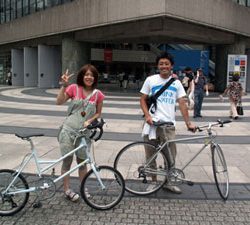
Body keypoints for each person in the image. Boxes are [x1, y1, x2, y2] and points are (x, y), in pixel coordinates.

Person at [140, 52, 196, 194]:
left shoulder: (176, 83)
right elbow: (142, 99)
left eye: (166, 63)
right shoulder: (150, 80)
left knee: (170, 157)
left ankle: (168, 183)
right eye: (161, 64)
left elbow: (182, 103)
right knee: (150, 155)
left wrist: (188, 123)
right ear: (157, 66)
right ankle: (153, 182)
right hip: (152, 125)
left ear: (171, 66)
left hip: (168, 126)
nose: (164, 66)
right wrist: (147, 116)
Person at [56, 64, 105, 202]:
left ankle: (83, 188)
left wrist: (90, 121)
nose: (89, 77)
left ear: (95, 78)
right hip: (68, 131)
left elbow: (98, 113)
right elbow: (59, 102)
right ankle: (67, 190)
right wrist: (64, 85)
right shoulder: (73, 88)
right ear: (82, 76)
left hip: (84, 134)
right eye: (86, 74)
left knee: (82, 163)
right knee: (67, 161)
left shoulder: (98, 95)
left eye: (92, 75)